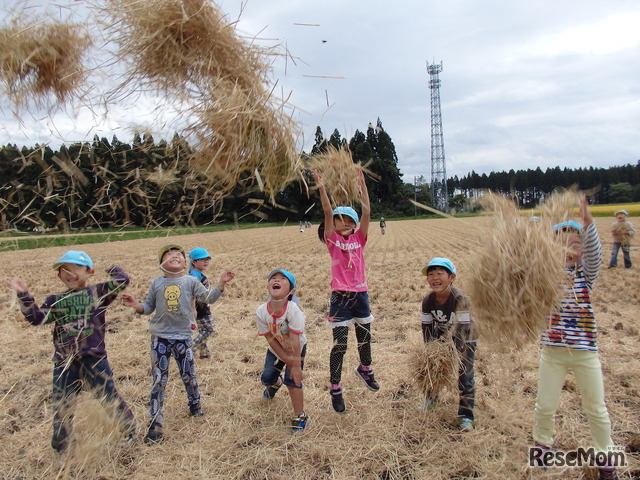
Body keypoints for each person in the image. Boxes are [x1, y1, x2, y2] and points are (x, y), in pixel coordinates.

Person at [6, 250, 136, 463]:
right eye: (63, 270)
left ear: (89, 272)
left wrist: (112, 269)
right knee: (61, 405)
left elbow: (122, 281)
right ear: (59, 276)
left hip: (93, 358)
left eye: (75, 268)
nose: (69, 273)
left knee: (108, 397)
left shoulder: (98, 293)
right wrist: (24, 295)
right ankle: (62, 448)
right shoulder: (55, 300)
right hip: (64, 362)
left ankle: (127, 430)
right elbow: (37, 319)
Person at [534, 197, 620, 480]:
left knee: (595, 408)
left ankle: (606, 461)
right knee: (545, 405)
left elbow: (595, 252)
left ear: (583, 251)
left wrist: (588, 222)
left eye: (575, 244)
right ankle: (541, 449)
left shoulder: (586, 275)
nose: (568, 250)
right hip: (552, 352)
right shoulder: (546, 276)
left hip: (585, 353)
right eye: (561, 243)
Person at [122, 244, 235, 444]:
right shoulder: (156, 283)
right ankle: (155, 422)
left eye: (179, 255)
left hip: (183, 337)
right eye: (169, 254)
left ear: (185, 263)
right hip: (160, 338)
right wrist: (136, 305)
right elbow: (148, 308)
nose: (175, 256)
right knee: (159, 379)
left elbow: (208, 299)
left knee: (188, 374)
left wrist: (221, 284)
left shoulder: (191, 281)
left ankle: (195, 406)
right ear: (161, 263)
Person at [314, 170, 378, 413]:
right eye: (341, 220)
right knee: (340, 345)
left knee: (365, 338)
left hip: (360, 294)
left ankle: (365, 369)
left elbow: (367, 212)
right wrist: (321, 187)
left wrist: (361, 183)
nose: (345, 223)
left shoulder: (360, 239)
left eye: (349, 220)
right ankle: (335, 387)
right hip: (340, 296)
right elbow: (328, 212)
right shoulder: (332, 240)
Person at [419, 257, 477, 431]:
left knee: (465, 375)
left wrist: (453, 350)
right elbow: (427, 327)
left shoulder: (460, 299)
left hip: (465, 340)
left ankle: (466, 415)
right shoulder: (428, 301)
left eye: (440, 274)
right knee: (431, 367)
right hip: (441, 337)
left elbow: (464, 329)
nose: (435, 278)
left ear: (452, 278)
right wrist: (430, 349)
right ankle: (432, 399)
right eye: (431, 274)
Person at [257, 269, 309, 433]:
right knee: (267, 378)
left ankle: (300, 415)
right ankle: (275, 384)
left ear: (291, 290)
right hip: (276, 348)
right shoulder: (261, 311)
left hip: (296, 348)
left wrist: (295, 365)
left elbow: (295, 340)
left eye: (282, 279)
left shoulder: (293, 311)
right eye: (273, 278)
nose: (276, 280)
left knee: (293, 381)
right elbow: (270, 338)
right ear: (268, 286)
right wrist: (284, 358)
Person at [189, 247, 217, 359]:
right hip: (200, 307)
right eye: (202, 259)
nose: (206, 262)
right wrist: (193, 308)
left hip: (201, 306)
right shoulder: (194, 275)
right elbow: (192, 291)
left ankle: (204, 354)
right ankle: (190, 349)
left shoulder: (197, 274)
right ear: (193, 262)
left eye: (207, 259)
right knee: (209, 329)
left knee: (202, 330)